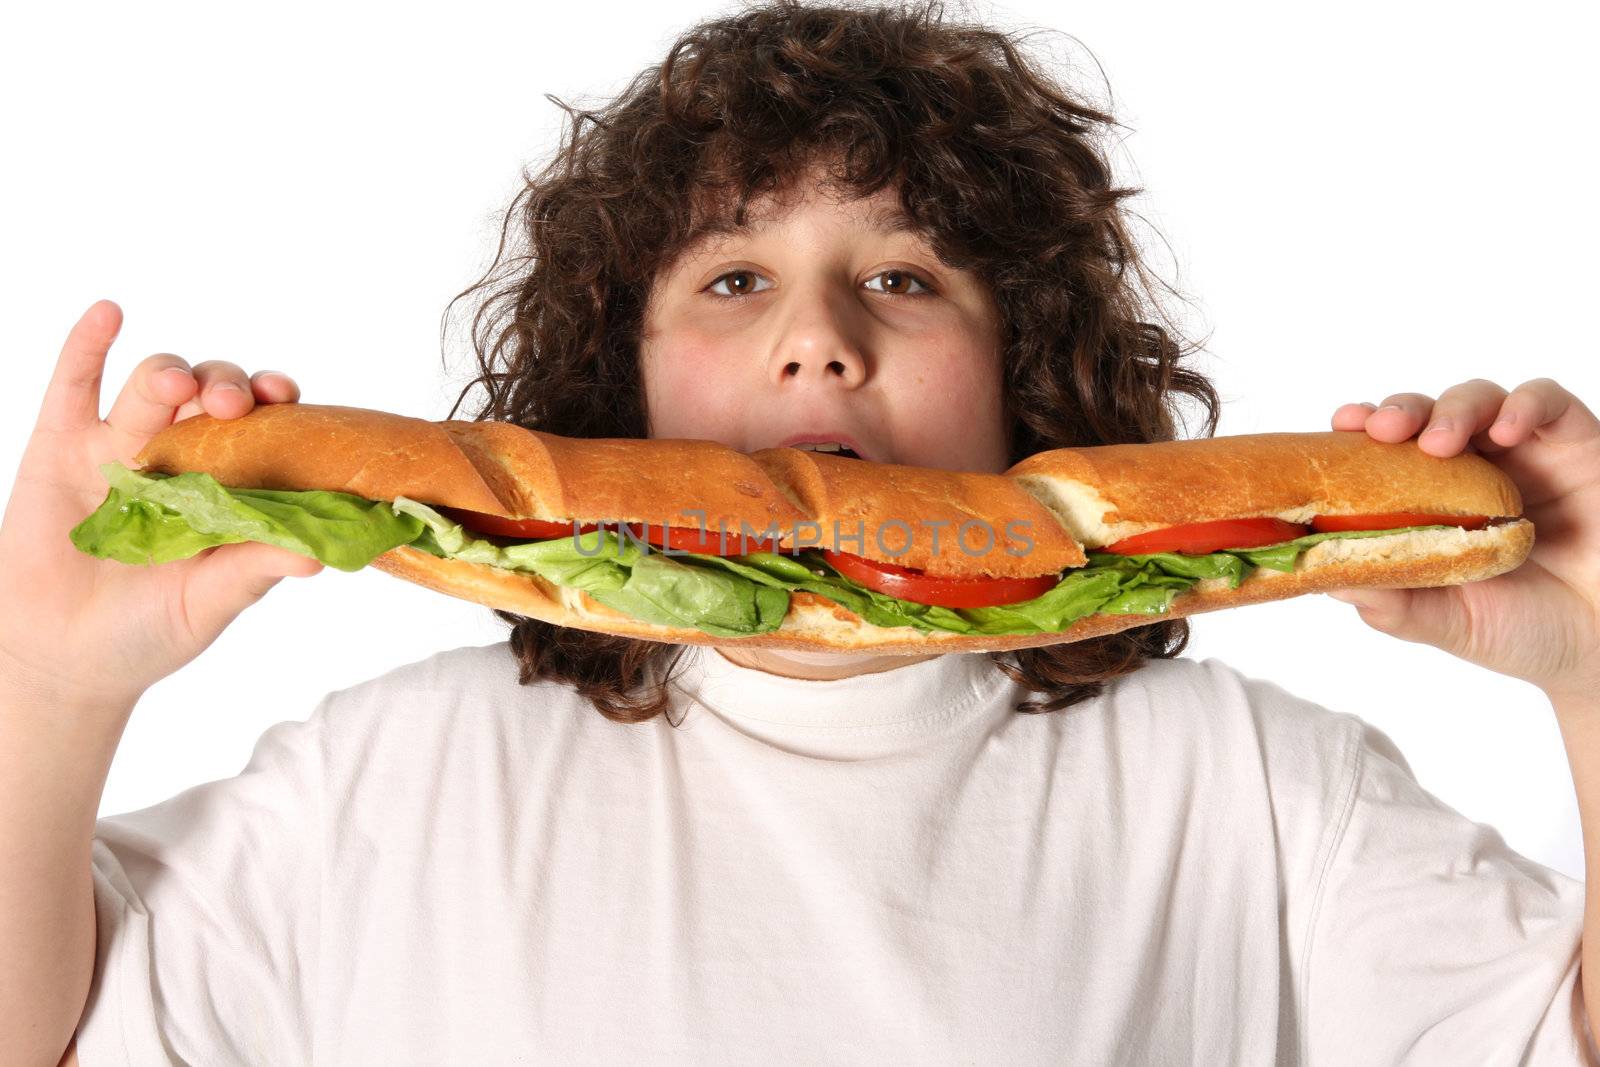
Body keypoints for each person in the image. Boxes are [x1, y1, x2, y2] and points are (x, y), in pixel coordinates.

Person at [4, 2, 1599, 1063]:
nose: (820, 342)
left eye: (905, 277)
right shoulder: (386, 773)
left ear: (1031, 377)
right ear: (610, 384)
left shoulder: (1257, 788)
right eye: (733, 278)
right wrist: (46, 687)